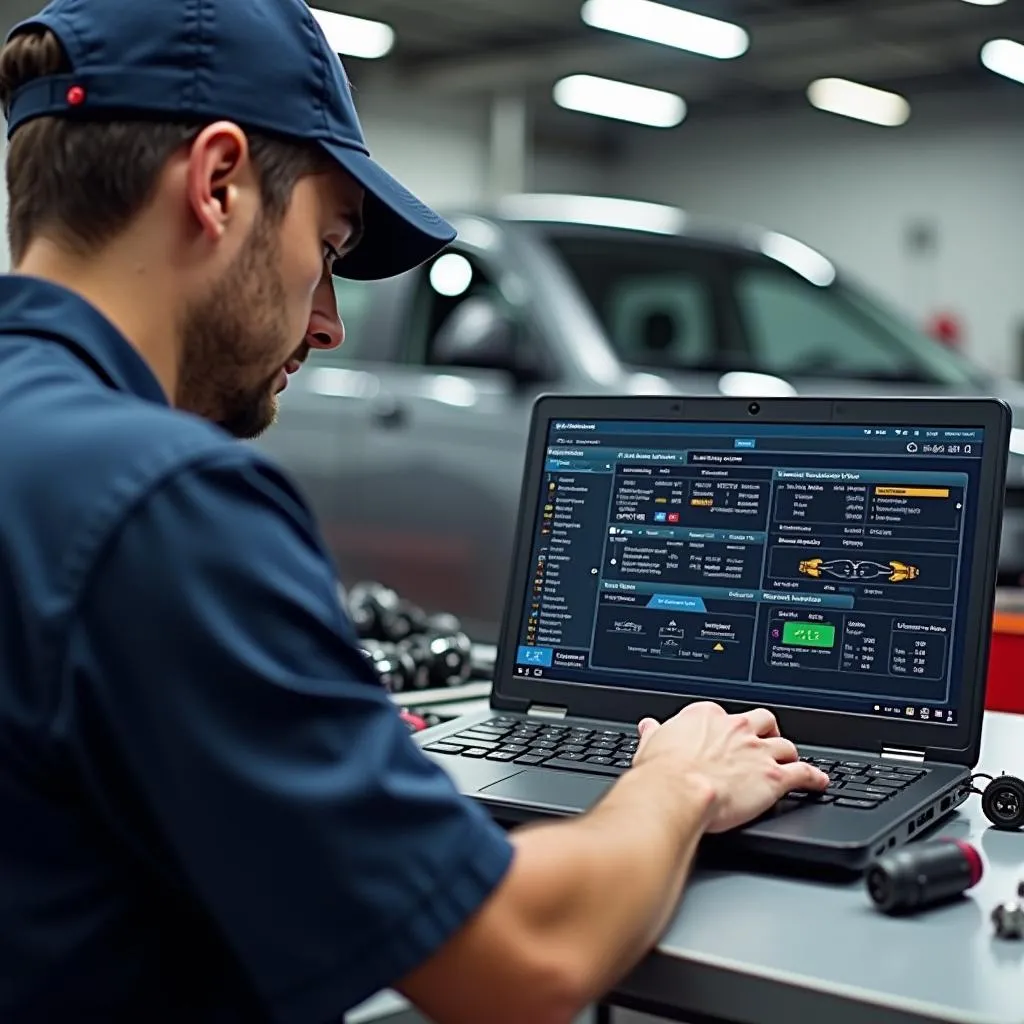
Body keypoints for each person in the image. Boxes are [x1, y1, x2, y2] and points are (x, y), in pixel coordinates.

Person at [0, 0, 829, 1022]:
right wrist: (680, 779)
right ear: (217, 185)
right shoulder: (162, 500)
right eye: (330, 245)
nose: (332, 323)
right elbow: (523, 957)